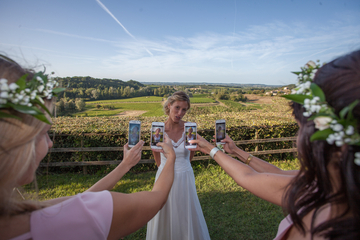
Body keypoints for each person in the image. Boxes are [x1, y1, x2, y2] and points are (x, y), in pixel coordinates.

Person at [0, 55, 177, 240]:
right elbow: (156, 199)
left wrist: (125, 165)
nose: (50, 142)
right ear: (13, 141)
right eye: (43, 133)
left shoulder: (18, 216)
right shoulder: (63, 218)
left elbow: (81, 199)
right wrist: (171, 157)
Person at [190, 50, 360, 239]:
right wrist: (236, 151)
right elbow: (278, 174)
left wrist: (209, 148)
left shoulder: (321, 200)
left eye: (301, 127)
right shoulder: (328, 183)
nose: (298, 136)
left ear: (326, 136)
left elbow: (248, 177)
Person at [146, 91, 210, 240]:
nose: (180, 113)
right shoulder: (158, 130)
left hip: (185, 176)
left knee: (185, 211)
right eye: (177, 108)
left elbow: (191, 153)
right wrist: (164, 170)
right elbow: (156, 153)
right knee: (163, 209)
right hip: (164, 176)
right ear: (169, 106)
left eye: (184, 110)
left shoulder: (189, 129)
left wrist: (183, 167)